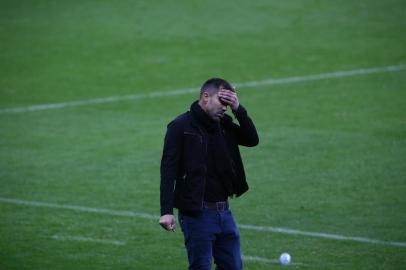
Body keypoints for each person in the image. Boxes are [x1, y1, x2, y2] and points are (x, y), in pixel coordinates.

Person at [159, 78, 259, 270]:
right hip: (197, 214)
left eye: (228, 103)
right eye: (223, 102)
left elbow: (252, 139)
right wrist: (166, 211)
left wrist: (238, 108)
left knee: (233, 267)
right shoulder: (180, 126)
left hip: (225, 213)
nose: (225, 108)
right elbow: (168, 169)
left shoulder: (223, 124)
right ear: (205, 97)